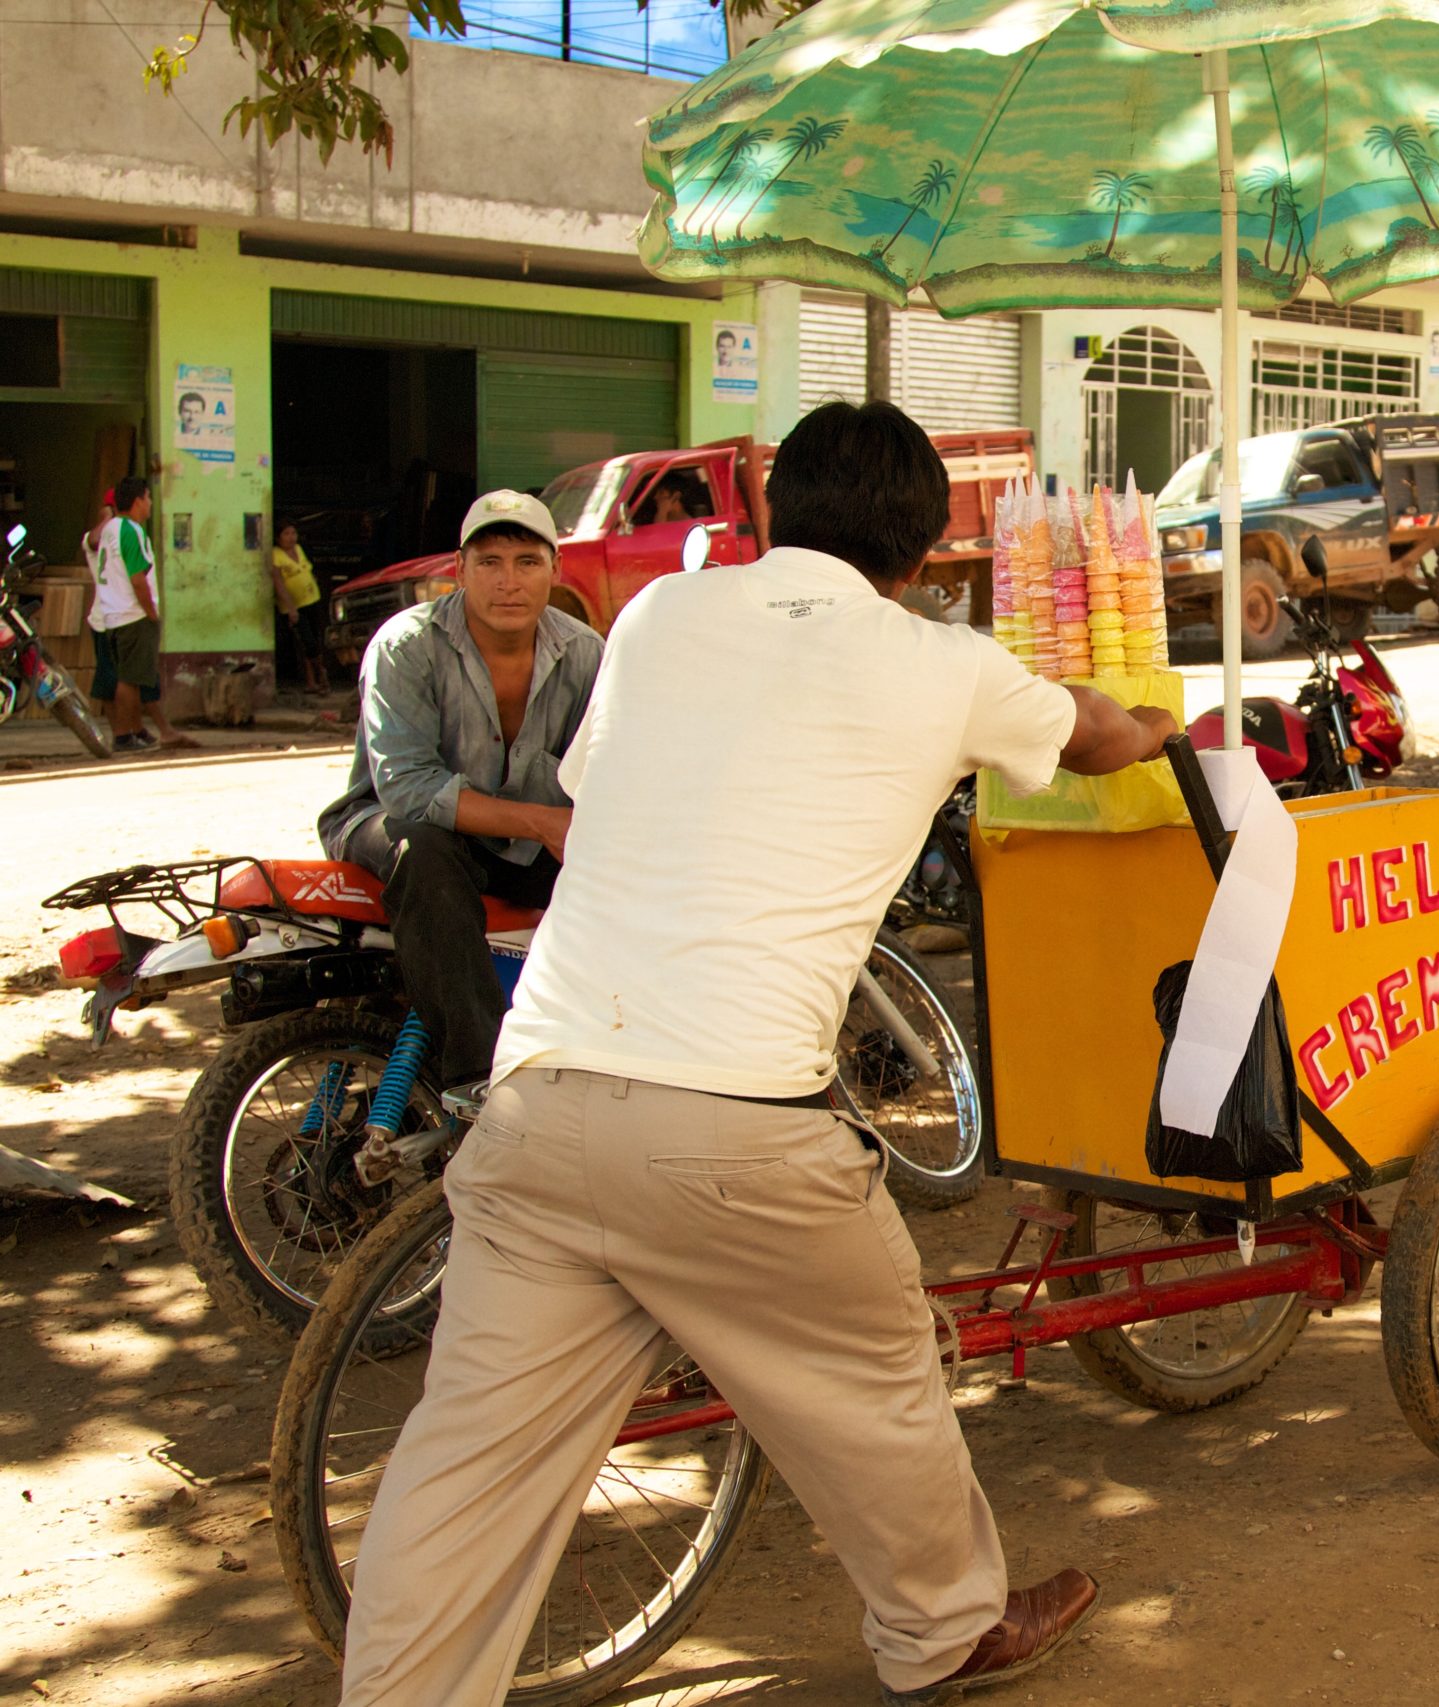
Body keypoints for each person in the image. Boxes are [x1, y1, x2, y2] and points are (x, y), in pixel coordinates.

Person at [336, 401, 1172, 1707]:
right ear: (927, 541)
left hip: (538, 1102)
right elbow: (1097, 737)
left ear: (776, 513)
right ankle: (946, 1623)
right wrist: (1157, 724)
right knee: (881, 1358)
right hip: (734, 1130)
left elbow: (601, 779)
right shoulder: (945, 661)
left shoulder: (663, 617)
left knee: (466, 1474)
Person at [316, 489, 601, 1089]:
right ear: (459, 570)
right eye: (489, 563)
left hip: (517, 849)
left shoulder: (586, 656)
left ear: (555, 569)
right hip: (391, 825)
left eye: (527, 563)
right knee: (425, 850)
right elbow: (408, 789)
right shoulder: (407, 645)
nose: (508, 582)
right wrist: (543, 823)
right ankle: (478, 1079)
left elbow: (608, 775)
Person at [87, 477, 197, 753]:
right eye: (148, 498)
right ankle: (124, 735)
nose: (150, 503)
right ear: (137, 500)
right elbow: (138, 578)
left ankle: (134, 731)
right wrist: (150, 612)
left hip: (113, 614)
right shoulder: (131, 531)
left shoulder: (110, 529)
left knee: (131, 679)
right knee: (130, 680)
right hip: (132, 614)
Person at [270, 520, 328, 693]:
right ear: (278, 537)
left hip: (312, 600)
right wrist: (291, 608)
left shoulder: (299, 550)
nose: (291, 537)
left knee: (314, 641)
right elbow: (278, 583)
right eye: (286, 534)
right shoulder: (276, 555)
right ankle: (321, 674)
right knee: (307, 643)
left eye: (293, 533)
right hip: (293, 607)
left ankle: (312, 683)